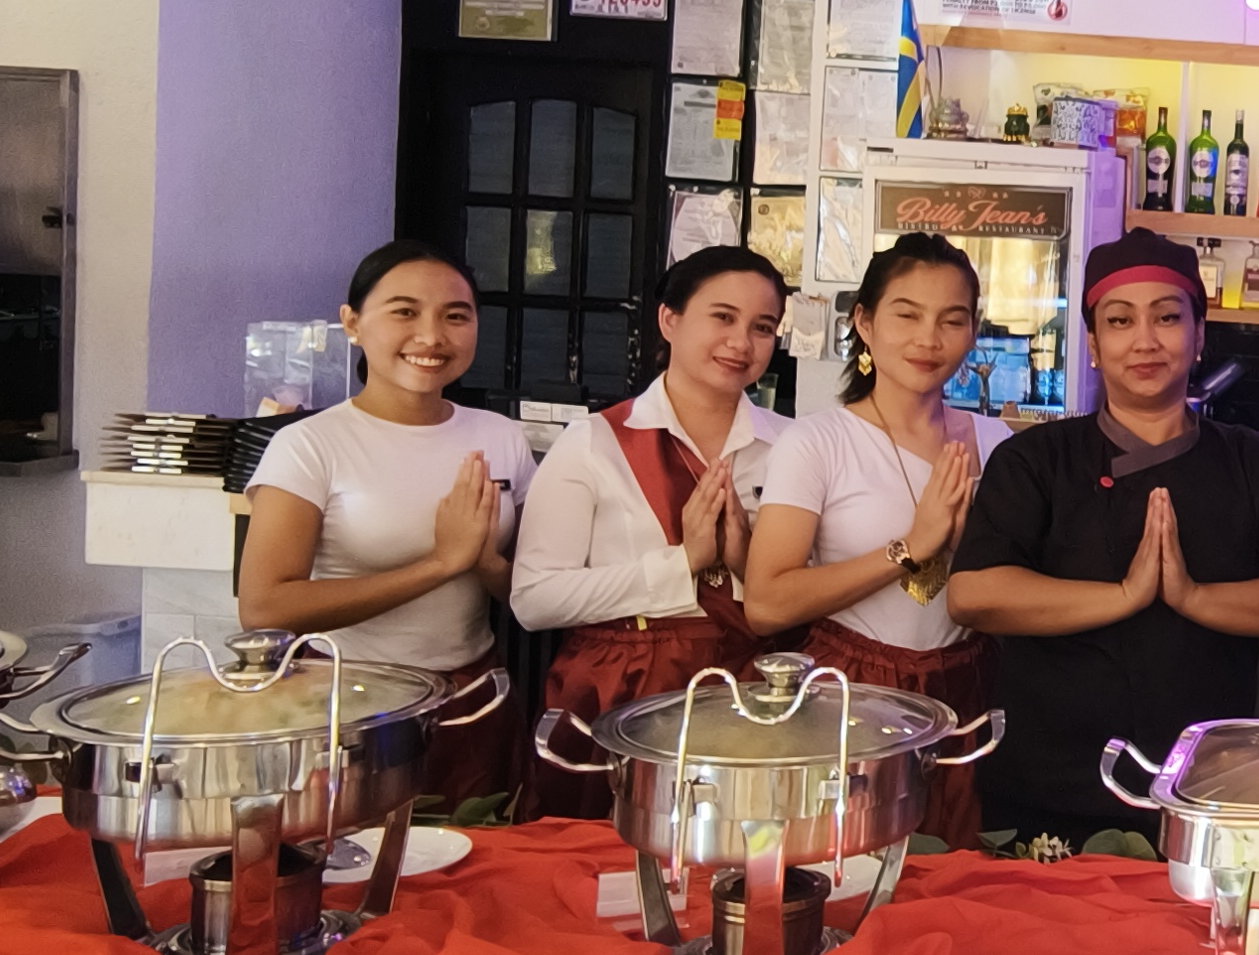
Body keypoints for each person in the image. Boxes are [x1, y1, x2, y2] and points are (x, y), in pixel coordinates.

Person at [948, 228, 1259, 842]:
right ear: (1093, 344)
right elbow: (973, 593)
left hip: (1206, 787)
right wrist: (1124, 595)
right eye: (1120, 320)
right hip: (1049, 785)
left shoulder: (1251, 460)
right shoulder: (1036, 459)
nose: (1145, 340)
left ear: (1199, 335)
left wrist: (1192, 596)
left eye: (1167, 317)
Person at [237, 238, 534, 808]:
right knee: (358, 858)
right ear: (352, 323)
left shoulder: (500, 437)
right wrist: (440, 564)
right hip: (349, 709)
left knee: (476, 853)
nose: (431, 336)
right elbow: (265, 606)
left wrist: (485, 562)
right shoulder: (308, 445)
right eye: (405, 312)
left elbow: (531, 590)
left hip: (474, 699)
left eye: (455, 316)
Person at [511, 243, 788, 811]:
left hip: (751, 691)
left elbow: (809, 591)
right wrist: (682, 564)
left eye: (762, 327)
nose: (742, 342)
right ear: (669, 320)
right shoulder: (593, 442)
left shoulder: (793, 445)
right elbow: (534, 599)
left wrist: (744, 561)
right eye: (722, 317)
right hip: (619, 688)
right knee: (603, 850)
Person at [744, 233, 1000, 845]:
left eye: (952, 320)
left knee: (960, 870)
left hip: (971, 687)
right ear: (863, 322)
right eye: (907, 315)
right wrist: (909, 548)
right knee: (853, 862)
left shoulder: (997, 444)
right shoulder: (816, 443)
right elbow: (767, 603)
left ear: (973, 331)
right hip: (853, 691)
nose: (928, 339)